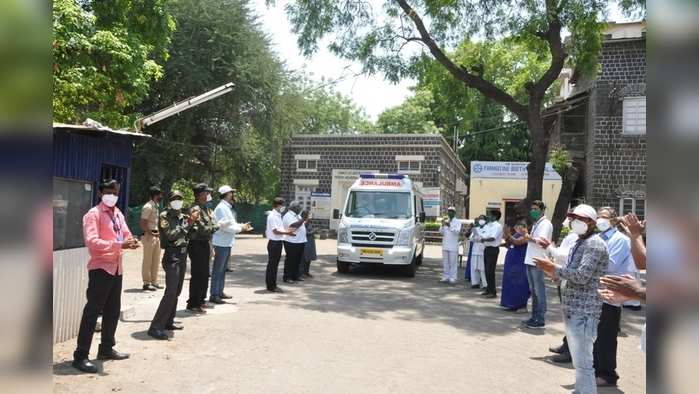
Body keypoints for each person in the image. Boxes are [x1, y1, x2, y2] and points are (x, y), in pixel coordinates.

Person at [534, 204, 609, 394]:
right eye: (573, 218)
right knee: (579, 362)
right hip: (573, 309)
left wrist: (553, 269)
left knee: (584, 364)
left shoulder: (594, 244)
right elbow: (570, 270)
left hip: (584, 312)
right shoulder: (579, 241)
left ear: (592, 222)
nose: (575, 222)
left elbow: (582, 276)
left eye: (581, 219)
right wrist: (555, 274)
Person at [72, 179, 139, 373]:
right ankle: (80, 355)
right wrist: (120, 245)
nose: (113, 195)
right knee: (92, 311)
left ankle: (106, 348)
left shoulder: (117, 213)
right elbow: (92, 242)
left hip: (117, 268)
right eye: (109, 191)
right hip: (101, 268)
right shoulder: (93, 214)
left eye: (116, 192)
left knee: (112, 310)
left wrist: (131, 241)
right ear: (101, 193)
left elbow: (125, 234)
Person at [591, 207, 639, 387]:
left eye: (604, 217)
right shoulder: (598, 238)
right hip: (597, 293)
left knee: (606, 336)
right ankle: (596, 370)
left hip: (612, 295)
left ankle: (608, 374)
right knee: (596, 335)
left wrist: (587, 264)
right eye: (598, 217)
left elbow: (610, 264)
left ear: (613, 220)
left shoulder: (620, 239)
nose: (600, 220)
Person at [147, 191, 196, 340]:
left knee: (177, 291)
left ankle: (168, 321)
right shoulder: (164, 216)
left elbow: (189, 234)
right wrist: (188, 225)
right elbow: (170, 235)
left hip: (182, 254)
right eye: (175, 199)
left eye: (180, 199)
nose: (178, 202)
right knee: (170, 292)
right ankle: (155, 327)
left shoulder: (183, 217)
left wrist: (191, 225)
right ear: (169, 201)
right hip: (172, 255)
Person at [210, 185, 252, 304]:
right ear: (227, 194)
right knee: (218, 269)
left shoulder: (226, 207)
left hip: (226, 242)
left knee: (223, 269)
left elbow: (231, 223)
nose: (233, 195)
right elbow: (226, 227)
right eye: (231, 193)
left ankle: (219, 291)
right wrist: (241, 229)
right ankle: (214, 294)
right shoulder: (221, 208)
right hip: (221, 242)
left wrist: (242, 225)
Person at [522, 200, 553, 329]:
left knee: (539, 291)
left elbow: (542, 241)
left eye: (535, 209)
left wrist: (529, 238)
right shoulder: (537, 223)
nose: (532, 211)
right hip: (530, 259)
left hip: (538, 261)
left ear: (542, 210)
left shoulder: (545, 224)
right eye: (532, 209)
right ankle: (534, 316)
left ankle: (540, 319)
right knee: (533, 290)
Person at [186, 183, 217, 314]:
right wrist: (216, 227)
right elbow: (201, 228)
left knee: (205, 274)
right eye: (205, 193)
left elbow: (210, 224)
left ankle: (201, 300)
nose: (207, 196)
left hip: (204, 243)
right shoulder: (195, 209)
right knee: (198, 274)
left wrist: (213, 227)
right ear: (199, 195)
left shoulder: (205, 209)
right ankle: (193, 302)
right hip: (196, 244)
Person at [265, 198, 295, 292]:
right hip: (274, 243)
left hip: (278, 242)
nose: (283, 207)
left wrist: (287, 231)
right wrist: (287, 233)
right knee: (272, 265)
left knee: (274, 265)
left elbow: (280, 229)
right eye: (282, 205)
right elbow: (275, 231)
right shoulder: (272, 216)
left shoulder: (278, 215)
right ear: (278, 205)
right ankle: (271, 286)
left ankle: (273, 284)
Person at [499, 221, 529, 311]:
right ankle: (511, 304)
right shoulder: (516, 234)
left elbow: (517, 242)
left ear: (524, 227)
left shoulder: (526, 236)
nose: (517, 229)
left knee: (519, 284)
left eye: (519, 227)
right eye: (516, 227)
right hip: (511, 263)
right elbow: (509, 244)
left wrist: (508, 235)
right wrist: (505, 236)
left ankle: (522, 306)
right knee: (510, 283)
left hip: (519, 263)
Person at [140, 186, 163, 291]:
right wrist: (150, 233)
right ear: (155, 195)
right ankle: (146, 283)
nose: (161, 197)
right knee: (147, 260)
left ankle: (154, 281)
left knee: (156, 260)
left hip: (156, 236)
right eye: (159, 195)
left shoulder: (156, 206)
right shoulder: (148, 206)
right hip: (149, 236)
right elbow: (143, 223)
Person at [282, 201, 309, 283]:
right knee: (290, 260)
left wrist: (306, 220)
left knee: (297, 260)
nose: (300, 208)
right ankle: (287, 277)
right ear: (293, 208)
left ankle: (295, 276)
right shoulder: (288, 216)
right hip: (291, 241)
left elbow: (301, 224)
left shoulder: (297, 215)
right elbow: (293, 226)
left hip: (300, 241)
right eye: (298, 207)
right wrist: (303, 219)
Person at [481, 210, 503, 298]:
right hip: (487, 248)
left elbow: (493, 238)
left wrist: (484, 239)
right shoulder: (488, 225)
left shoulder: (498, 226)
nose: (488, 216)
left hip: (493, 249)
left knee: (490, 270)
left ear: (494, 216)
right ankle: (488, 289)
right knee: (486, 270)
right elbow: (484, 233)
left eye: (489, 215)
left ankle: (493, 291)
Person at [439, 206, 462, 285]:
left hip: (453, 246)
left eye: (451, 211)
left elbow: (457, 232)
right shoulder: (446, 220)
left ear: (454, 213)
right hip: (445, 245)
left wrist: (450, 226)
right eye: (449, 211)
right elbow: (441, 232)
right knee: (445, 262)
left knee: (453, 262)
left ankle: (453, 278)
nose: (450, 213)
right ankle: (445, 277)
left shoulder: (458, 222)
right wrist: (442, 225)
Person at [469, 215, 488, 289]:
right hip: (475, 250)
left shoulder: (487, 228)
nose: (480, 220)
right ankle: (475, 283)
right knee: (474, 267)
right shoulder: (476, 228)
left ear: (485, 220)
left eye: (482, 219)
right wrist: (475, 236)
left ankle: (485, 284)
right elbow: (471, 238)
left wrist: (477, 237)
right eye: (480, 219)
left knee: (482, 268)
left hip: (482, 250)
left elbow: (484, 238)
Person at [301, 212, 317, 278]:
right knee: (304, 257)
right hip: (305, 241)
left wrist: (313, 231)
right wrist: (312, 232)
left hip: (311, 241)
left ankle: (307, 272)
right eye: (308, 215)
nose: (309, 216)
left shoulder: (309, 222)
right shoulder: (303, 222)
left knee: (309, 257)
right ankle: (302, 272)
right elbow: (304, 232)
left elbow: (310, 229)